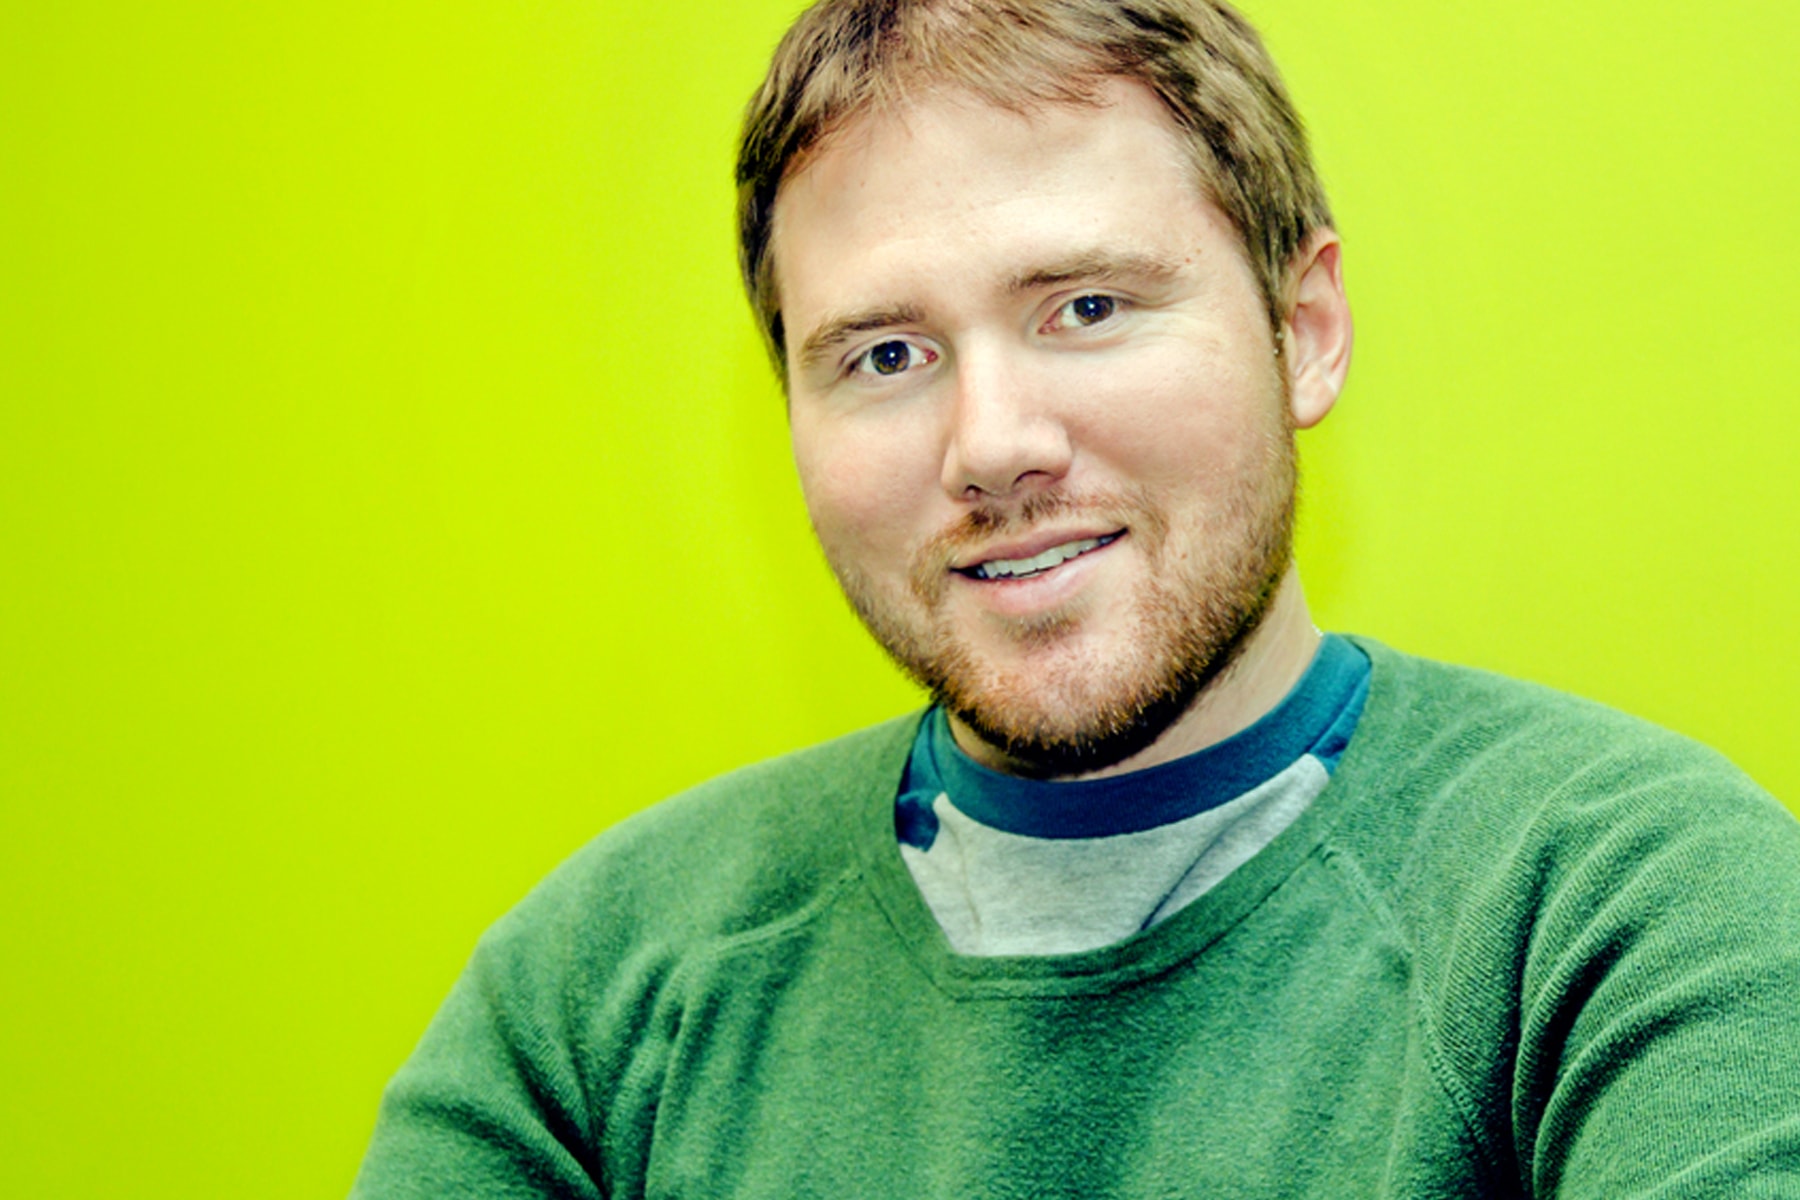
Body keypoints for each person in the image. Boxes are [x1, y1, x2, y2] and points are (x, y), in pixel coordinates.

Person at [352, 2, 1800, 1195]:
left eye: (1086, 309)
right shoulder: (594, 997)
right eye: (884, 355)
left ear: (1303, 332)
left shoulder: (1626, 910)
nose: (990, 446)